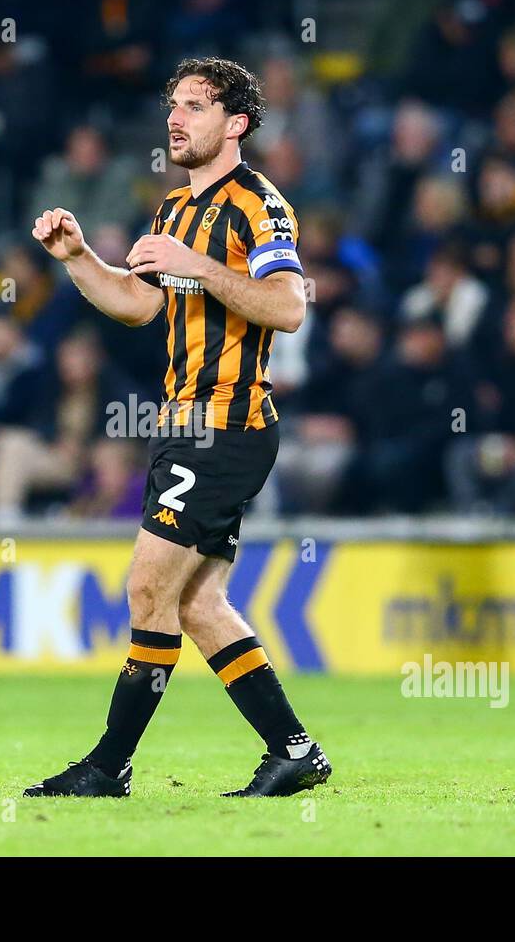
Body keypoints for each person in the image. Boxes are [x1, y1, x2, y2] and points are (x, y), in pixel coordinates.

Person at [23, 57, 331, 799]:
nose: (176, 117)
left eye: (196, 105)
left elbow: (289, 307)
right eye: (173, 104)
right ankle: (293, 750)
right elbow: (137, 304)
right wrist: (77, 259)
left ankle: (108, 766)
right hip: (183, 426)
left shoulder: (260, 204)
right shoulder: (171, 209)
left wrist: (198, 265)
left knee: (146, 591)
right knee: (195, 605)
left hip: (225, 425)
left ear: (236, 124)